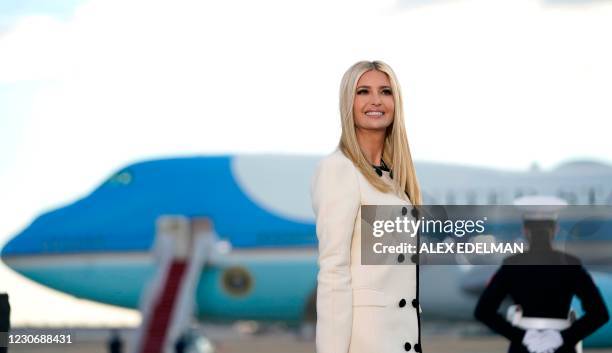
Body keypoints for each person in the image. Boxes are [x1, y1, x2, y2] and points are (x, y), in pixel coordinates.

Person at [311, 60, 423, 353]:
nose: (376, 100)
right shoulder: (338, 169)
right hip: (366, 343)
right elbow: (333, 272)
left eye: (385, 91)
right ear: (348, 101)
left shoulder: (395, 181)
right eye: (363, 91)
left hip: (401, 341)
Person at [474, 196, 609, 353]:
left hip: (524, 348)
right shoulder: (571, 264)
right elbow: (600, 314)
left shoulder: (512, 264)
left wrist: (522, 336)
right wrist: (563, 337)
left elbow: (483, 311)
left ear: (525, 231)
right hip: (561, 348)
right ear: (555, 230)